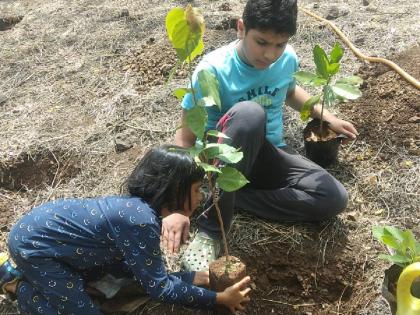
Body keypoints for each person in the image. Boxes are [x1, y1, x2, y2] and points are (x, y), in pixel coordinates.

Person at [163, 0, 358, 271]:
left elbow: (289, 92)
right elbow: (184, 138)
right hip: (222, 160)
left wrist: (329, 118)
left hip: (269, 154)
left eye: (279, 45)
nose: (270, 55)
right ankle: (211, 229)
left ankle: (231, 199)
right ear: (241, 28)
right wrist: (177, 205)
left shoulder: (287, 59)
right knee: (249, 114)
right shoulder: (212, 70)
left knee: (333, 197)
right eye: (262, 42)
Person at [0, 145, 251, 315]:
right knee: (83, 310)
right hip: (35, 247)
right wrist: (218, 300)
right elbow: (159, 288)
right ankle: (21, 288)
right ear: (176, 191)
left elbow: (147, 276)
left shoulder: (138, 212)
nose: (201, 196)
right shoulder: (139, 222)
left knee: (119, 278)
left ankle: (29, 273)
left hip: (53, 239)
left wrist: (193, 278)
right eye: (197, 189)